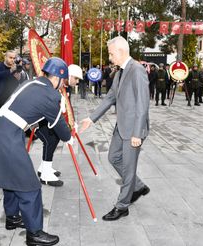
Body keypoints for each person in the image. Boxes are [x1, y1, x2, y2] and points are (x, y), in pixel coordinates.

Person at [0, 57, 72, 246]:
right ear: (58, 77)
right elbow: (59, 125)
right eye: (64, 80)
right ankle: (34, 234)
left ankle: (12, 218)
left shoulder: (33, 82)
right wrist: (69, 138)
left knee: (11, 178)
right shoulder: (50, 94)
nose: (63, 85)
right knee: (30, 186)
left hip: (0, 130)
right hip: (8, 137)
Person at [79, 36, 150, 221]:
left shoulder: (137, 70)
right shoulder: (120, 72)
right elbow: (110, 98)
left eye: (111, 53)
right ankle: (138, 186)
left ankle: (122, 206)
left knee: (128, 166)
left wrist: (137, 133)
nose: (110, 58)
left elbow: (143, 104)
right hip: (122, 126)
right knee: (113, 157)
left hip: (133, 129)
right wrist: (91, 118)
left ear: (120, 51)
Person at [36, 64, 84, 187]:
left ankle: (44, 167)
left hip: (49, 119)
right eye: (76, 78)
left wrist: (72, 122)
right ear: (69, 76)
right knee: (50, 140)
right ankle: (45, 175)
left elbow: (66, 107)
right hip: (38, 119)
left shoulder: (65, 87)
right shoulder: (57, 86)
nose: (77, 82)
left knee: (54, 139)